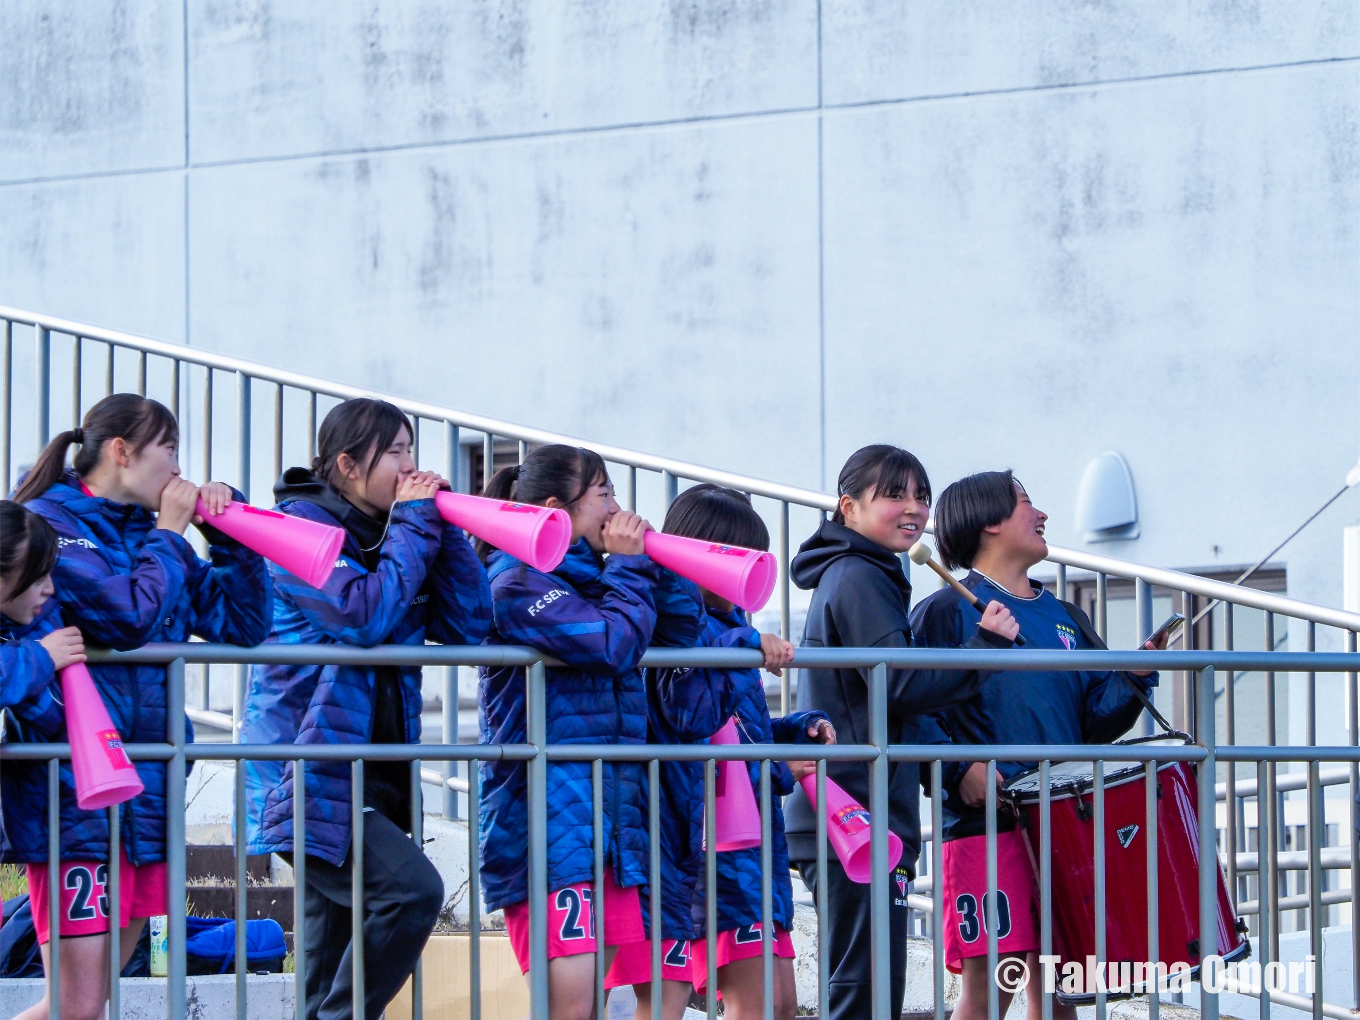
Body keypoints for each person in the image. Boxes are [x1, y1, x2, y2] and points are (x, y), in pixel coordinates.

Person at [6, 394, 272, 1020]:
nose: (180, 467)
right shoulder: (52, 525)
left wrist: (226, 539)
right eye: (170, 449)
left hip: (145, 782)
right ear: (123, 453)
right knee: (75, 1005)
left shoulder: (152, 539)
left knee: (86, 1004)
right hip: (72, 788)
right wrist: (172, 535)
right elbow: (125, 616)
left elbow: (244, 624)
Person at [241, 397, 492, 1020]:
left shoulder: (397, 529)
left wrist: (445, 531)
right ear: (348, 465)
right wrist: (412, 525)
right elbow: (364, 615)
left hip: (366, 767)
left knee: (326, 966)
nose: (413, 466)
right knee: (411, 893)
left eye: (413, 449)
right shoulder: (296, 529)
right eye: (397, 453)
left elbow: (471, 627)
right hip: (300, 772)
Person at [912, 470, 1162, 1020]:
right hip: (987, 825)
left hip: (1066, 822)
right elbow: (911, 708)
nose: (1043, 515)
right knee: (990, 986)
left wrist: (1134, 676)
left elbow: (1094, 721)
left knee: (1058, 986)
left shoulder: (1067, 615)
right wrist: (958, 771)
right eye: (1028, 503)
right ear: (991, 522)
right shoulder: (946, 611)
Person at [784, 444, 1017, 1020]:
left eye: (920, 496)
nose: (912, 508)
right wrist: (984, 648)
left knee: (869, 988)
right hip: (853, 815)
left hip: (859, 812)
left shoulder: (864, 571)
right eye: (893, 494)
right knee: (863, 992)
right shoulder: (858, 573)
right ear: (849, 507)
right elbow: (899, 684)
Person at [477, 444, 702, 1020]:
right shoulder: (514, 582)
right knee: (572, 1010)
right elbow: (613, 645)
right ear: (556, 508)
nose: (616, 508)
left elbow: (681, 633)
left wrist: (654, 560)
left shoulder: (600, 579)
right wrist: (628, 567)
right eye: (604, 495)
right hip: (548, 822)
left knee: (592, 1007)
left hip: (606, 819)